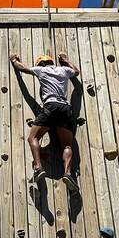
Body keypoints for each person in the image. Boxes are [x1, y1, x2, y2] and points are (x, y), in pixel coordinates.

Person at [10, 52, 81, 192]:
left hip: (51, 106)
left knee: (33, 137)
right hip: (65, 108)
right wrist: (66, 61)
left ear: (40, 63)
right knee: (67, 145)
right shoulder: (64, 70)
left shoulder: (40, 70)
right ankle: (68, 173)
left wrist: (14, 60)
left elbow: (22, 68)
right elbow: (76, 72)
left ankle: (38, 167)